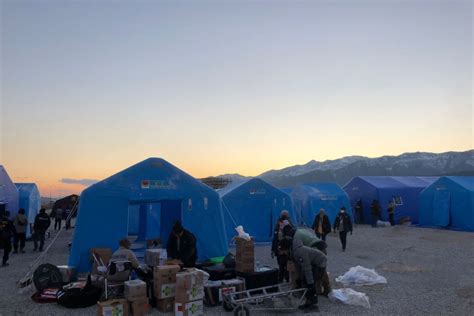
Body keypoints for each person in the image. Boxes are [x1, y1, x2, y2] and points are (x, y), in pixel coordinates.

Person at [282, 225, 327, 311]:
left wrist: (309, 283)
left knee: (311, 280)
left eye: (283, 251)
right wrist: (299, 278)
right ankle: (309, 301)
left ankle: (314, 304)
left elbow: (307, 267)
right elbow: (300, 264)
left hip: (318, 256)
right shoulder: (295, 243)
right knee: (306, 279)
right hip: (315, 251)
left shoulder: (298, 248)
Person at [271, 210, 292, 283]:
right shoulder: (279, 224)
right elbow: (275, 237)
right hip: (280, 247)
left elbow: (289, 237)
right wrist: (273, 249)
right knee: (282, 264)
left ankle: (285, 278)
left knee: (285, 264)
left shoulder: (288, 224)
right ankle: (282, 278)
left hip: (285, 248)